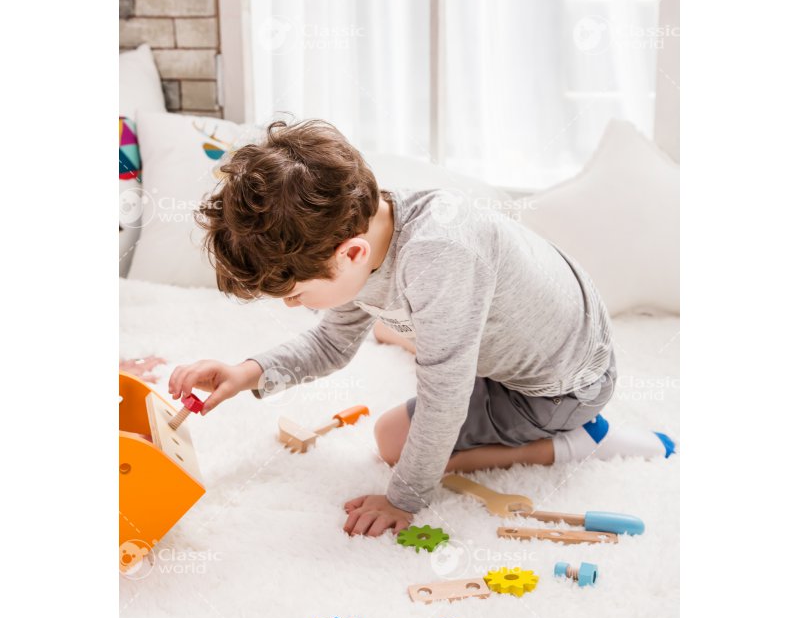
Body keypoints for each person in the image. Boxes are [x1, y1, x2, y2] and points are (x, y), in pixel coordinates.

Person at [168, 120, 674, 538]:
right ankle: (409, 335)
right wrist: (246, 373)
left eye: (297, 295)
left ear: (351, 255)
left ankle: (577, 444)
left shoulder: (439, 257)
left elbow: (444, 402)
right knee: (416, 336)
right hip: (538, 338)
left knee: (391, 439)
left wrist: (403, 499)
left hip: (562, 391)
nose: (293, 306)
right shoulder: (366, 227)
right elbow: (330, 343)